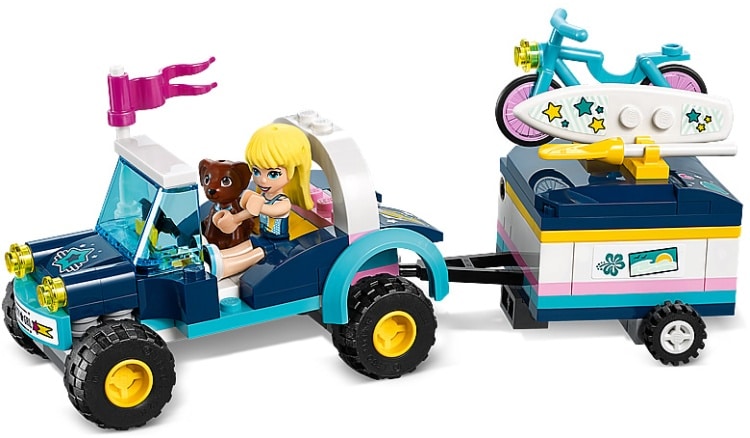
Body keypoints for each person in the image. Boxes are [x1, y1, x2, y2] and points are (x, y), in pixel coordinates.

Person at [205, 123, 313, 279]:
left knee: (257, 253)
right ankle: (217, 256)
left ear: (292, 172)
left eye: (273, 174)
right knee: (248, 244)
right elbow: (251, 211)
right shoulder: (262, 197)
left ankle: (224, 269)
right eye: (256, 171)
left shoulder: (283, 202)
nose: (262, 180)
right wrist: (235, 218)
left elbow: (269, 210)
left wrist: (254, 206)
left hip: (280, 243)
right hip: (263, 237)